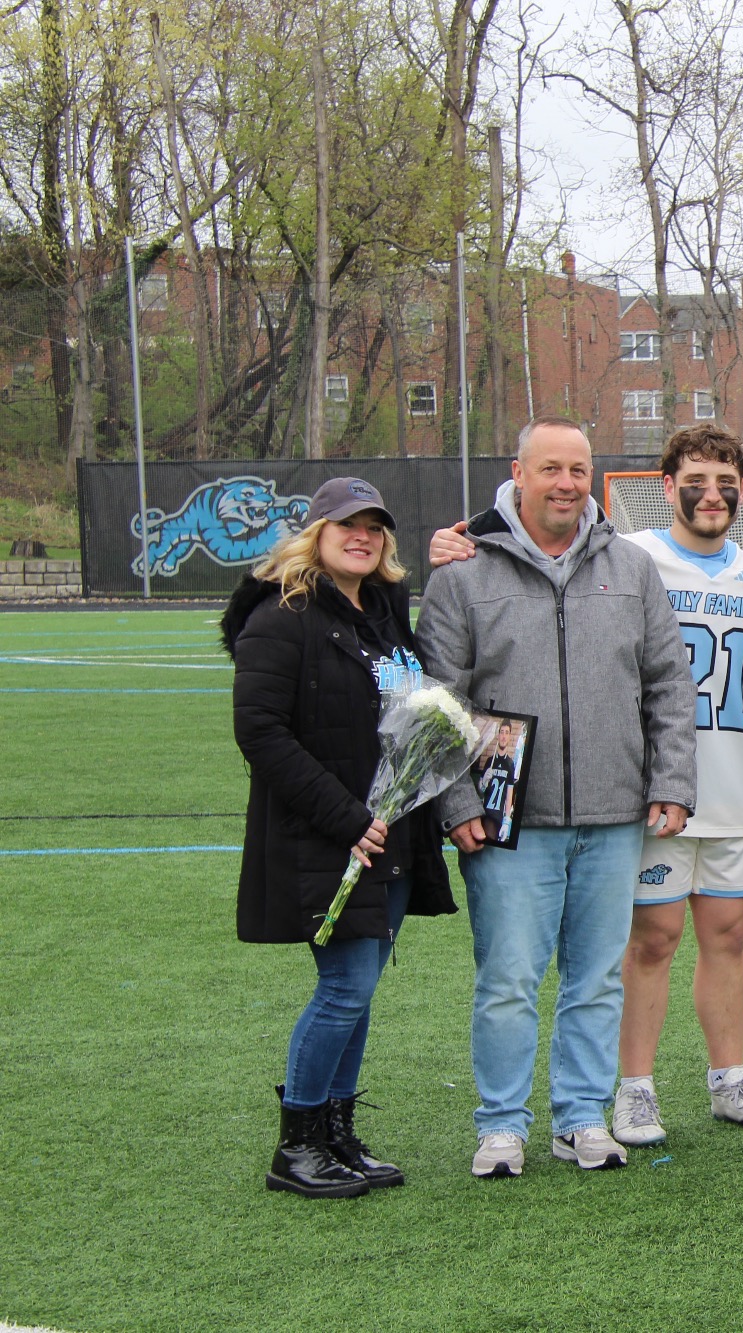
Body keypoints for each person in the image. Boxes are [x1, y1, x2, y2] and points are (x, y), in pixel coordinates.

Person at [430, 422, 743, 1143]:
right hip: (604, 795)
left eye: (726, 484)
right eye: (695, 481)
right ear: (664, 489)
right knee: (635, 943)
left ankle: (717, 1079)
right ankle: (619, 1091)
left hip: (711, 788)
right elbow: (447, 679)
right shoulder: (636, 556)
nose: (712, 495)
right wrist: (454, 542)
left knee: (720, 935)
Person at [417, 415, 698, 1177]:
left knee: (596, 977)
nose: (567, 483)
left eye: (579, 469)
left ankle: (582, 1117)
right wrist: (457, 803)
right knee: (507, 979)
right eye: (552, 469)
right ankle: (501, 1124)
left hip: (613, 814)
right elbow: (438, 702)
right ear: (519, 471)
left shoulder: (631, 567)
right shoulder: (463, 571)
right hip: (511, 820)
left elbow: (669, 683)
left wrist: (671, 780)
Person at [223, 476, 451, 1198]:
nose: (363, 535)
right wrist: (348, 817)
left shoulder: (381, 612)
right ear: (314, 532)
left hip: (390, 836)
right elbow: (260, 731)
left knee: (361, 987)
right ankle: (296, 1148)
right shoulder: (281, 616)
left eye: (375, 526)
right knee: (345, 985)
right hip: (330, 836)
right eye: (346, 523)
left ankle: (336, 1135)